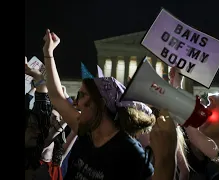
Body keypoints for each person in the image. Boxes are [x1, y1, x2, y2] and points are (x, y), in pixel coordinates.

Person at [42, 29, 156, 180]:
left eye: (81, 95)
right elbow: (56, 96)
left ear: (99, 104)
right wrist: (48, 53)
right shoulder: (86, 131)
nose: (76, 103)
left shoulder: (130, 153)